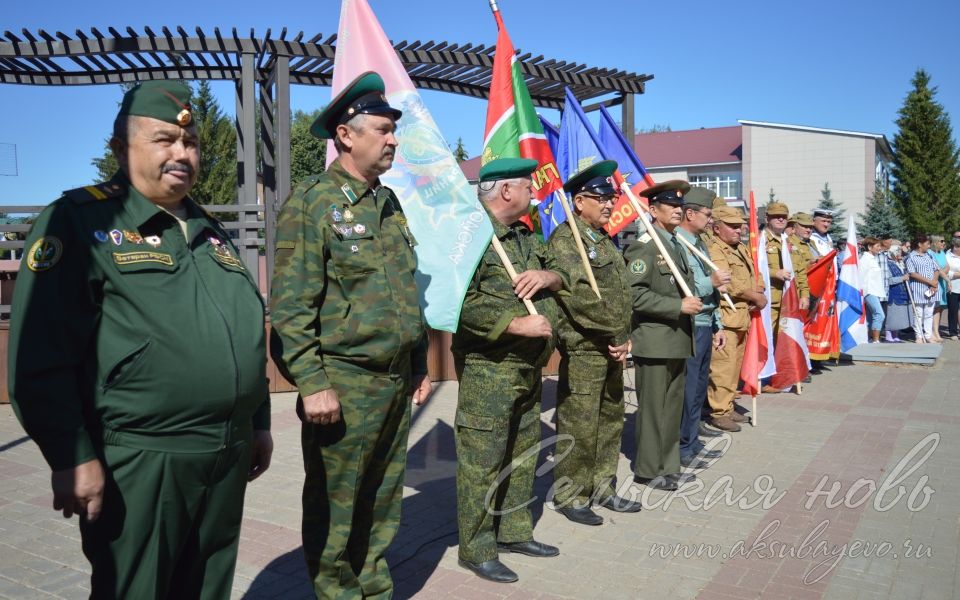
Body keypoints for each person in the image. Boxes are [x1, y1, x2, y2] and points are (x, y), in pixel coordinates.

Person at [8, 81, 273, 598]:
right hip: (143, 460)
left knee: (205, 587)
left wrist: (257, 421)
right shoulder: (81, 221)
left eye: (191, 142)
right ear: (120, 148)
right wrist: (70, 455)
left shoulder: (206, 227)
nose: (182, 153)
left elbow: (241, 332)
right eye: (163, 140)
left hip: (225, 454)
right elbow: (40, 355)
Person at [270, 72, 432, 599]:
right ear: (346, 134)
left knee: (382, 501)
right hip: (343, 384)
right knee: (337, 508)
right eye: (383, 129)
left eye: (393, 131)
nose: (393, 140)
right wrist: (313, 384)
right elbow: (291, 307)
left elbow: (405, 292)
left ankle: (374, 590)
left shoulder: (387, 204)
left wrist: (418, 365)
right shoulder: (313, 203)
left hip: (391, 383)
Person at [453, 158, 565, 583]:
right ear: (505, 192)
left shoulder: (523, 234)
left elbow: (563, 273)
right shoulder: (469, 235)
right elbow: (458, 301)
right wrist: (516, 323)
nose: (534, 194)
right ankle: (477, 547)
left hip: (527, 367)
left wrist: (547, 275)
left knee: (522, 452)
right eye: (527, 187)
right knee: (482, 460)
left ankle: (514, 531)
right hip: (489, 368)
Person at [549, 160, 640, 527]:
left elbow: (620, 294)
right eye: (601, 198)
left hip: (614, 348)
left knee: (610, 421)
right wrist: (618, 336)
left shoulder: (602, 239)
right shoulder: (565, 240)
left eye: (612, 198)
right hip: (586, 348)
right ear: (579, 201)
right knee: (580, 426)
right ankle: (572, 494)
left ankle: (604, 486)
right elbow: (581, 299)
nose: (609, 205)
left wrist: (625, 338)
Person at [624, 180, 700, 492]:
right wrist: (677, 305)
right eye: (671, 206)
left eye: (681, 206)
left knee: (671, 409)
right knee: (654, 410)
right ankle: (647, 469)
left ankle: (669, 465)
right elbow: (635, 295)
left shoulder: (674, 244)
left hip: (677, 341)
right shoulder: (646, 246)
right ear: (653, 210)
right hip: (655, 342)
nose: (679, 211)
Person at [675, 188, 728, 467]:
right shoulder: (677, 244)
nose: (710, 221)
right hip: (691, 324)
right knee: (688, 387)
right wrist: (713, 284)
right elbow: (682, 289)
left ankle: (692, 440)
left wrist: (718, 324)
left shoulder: (699, 242)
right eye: (708, 215)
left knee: (698, 388)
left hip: (707, 322)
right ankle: (682, 444)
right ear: (690, 213)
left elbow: (709, 285)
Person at [707, 207, 768, 432]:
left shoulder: (740, 247)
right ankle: (719, 412)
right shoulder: (715, 249)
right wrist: (755, 296)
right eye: (732, 226)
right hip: (727, 317)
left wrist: (759, 290)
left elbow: (755, 274)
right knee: (723, 367)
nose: (739, 229)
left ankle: (728, 404)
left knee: (734, 367)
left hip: (743, 315)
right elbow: (727, 282)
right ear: (716, 228)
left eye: (740, 225)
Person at [905, 235, 941, 343]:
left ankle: (928, 335)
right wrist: (929, 282)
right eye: (927, 244)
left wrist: (934, 283)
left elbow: (937, 269)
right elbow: (912, 273)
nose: (929, 246)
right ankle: (919, 336)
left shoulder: (929, 255)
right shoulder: (911, 257)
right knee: (919, 313)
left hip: (932, 289)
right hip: (919, 289)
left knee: (929, 313)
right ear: (920, 244)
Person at [882, 245, 912, 342]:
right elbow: (888, 280)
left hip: (902, 292)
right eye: (898, 252)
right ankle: (888, 334)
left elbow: (908, 257)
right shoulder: (887, 264)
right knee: (892, 315)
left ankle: (895, 335)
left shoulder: (900, 263)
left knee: (899, 316)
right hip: (893, 293)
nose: (900, 254)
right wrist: (902, 278)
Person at [860, 237, 886, 343]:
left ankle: (869, 338)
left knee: (871, 317)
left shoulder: (872, 259)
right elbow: (861, 276)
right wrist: (863, 293)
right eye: (877, 246)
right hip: (868, 291)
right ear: (870, 247)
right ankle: (875, 339)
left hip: (874, 291)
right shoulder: (865, 259)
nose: (880, 248)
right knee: (879, 314)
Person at [929, 235, 949, 341]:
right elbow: (937, 268)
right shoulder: (930, 253)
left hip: (942, 283)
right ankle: (932, 331)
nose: (943, 243)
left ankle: (936, 330)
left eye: (944, 241)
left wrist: (942, 272)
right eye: (941, 241)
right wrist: (942, 273)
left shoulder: (942, 253)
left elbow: (947, 266)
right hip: (935, 282)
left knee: (939, 308)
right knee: (933, 308)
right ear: (935, 242)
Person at [946, 237, 960, 339]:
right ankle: (953, 332)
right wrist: (957, 275)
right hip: (953, 287)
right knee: (953, 311)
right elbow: (945, 272)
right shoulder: (947, 257)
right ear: (955, 247)